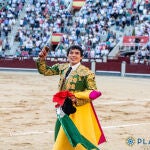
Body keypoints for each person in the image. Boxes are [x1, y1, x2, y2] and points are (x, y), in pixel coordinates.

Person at [36, 45, 106, 150]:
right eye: (71, 53)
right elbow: (45, 71)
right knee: (62, 133)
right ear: (67, 55)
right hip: (63, 107)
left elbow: (92, 92)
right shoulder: (62, 67)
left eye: (77, 53)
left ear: (81, 57)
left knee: (78, 134)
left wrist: (75, 99)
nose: (73, 55)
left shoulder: (87, 72)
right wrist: (41, 59)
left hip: (78, 110)